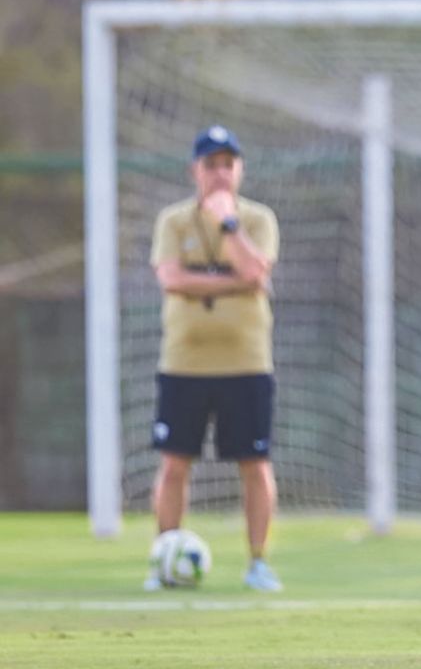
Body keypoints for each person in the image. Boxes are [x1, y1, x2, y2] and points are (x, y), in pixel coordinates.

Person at [144, 125, 284, 592]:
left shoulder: (258, 219)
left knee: (255, 464)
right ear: (195, 170)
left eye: (229, 163)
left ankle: (258, 562)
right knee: (174, 464)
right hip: (184, 363)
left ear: (239, 169)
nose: (221, 173)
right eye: (212, 164)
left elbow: (254, 267)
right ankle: (164, 555)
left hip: (247, 363)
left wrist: (228, 224)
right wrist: (238, 283)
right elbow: (173, 280)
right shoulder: (174, 221)